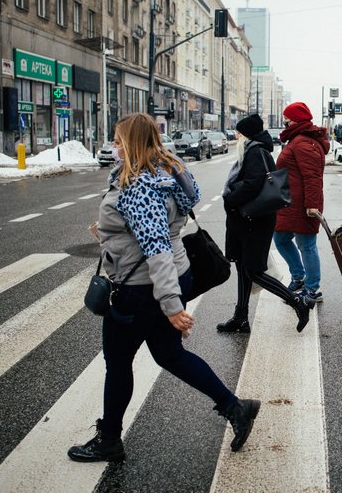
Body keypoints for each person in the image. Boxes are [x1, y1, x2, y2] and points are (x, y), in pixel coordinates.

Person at [69, 113, 260, 463]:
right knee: (169, 355)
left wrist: (171, 306)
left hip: (143, 286)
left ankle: (110, 439)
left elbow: (155, 245)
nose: (114, 146)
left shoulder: (138, 186)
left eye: (118, 139)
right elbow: (155, 231)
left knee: (118, 360)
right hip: (167, 274)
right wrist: (110, 233)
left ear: (132, 143)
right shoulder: (166, 174)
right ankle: (236, 408)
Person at [217, 113, 316, 334]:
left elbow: (253, 184)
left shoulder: (254, 152)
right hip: (249, 220)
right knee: (243, 268)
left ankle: (297, 302)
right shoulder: (255, 150)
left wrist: (231, 200)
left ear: (246, 135)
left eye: (239, 133)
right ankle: (241, 318)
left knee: (253, 270)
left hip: (254, 221)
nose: (236, 136)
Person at [274, 102, 330, 301]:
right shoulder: (297, 139)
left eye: (287, 118)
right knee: (280, 238)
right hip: (291, 202)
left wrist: (312, 205)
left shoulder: (303, 142)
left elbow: (312, 176)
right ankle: (298, 277)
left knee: (306, 244)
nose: (285, 121)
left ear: (296, 119)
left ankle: (313, 289)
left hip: (303, 204)